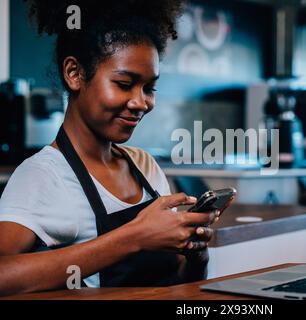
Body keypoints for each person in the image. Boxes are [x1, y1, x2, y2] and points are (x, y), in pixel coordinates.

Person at [0, 0, 232, 296]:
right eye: (124, 84)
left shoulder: (144, 166)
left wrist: (196, 254)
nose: (141, 103)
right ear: (74, 74)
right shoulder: (43, 175)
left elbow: (180, 285)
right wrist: (133, 237)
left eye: (149, 88)